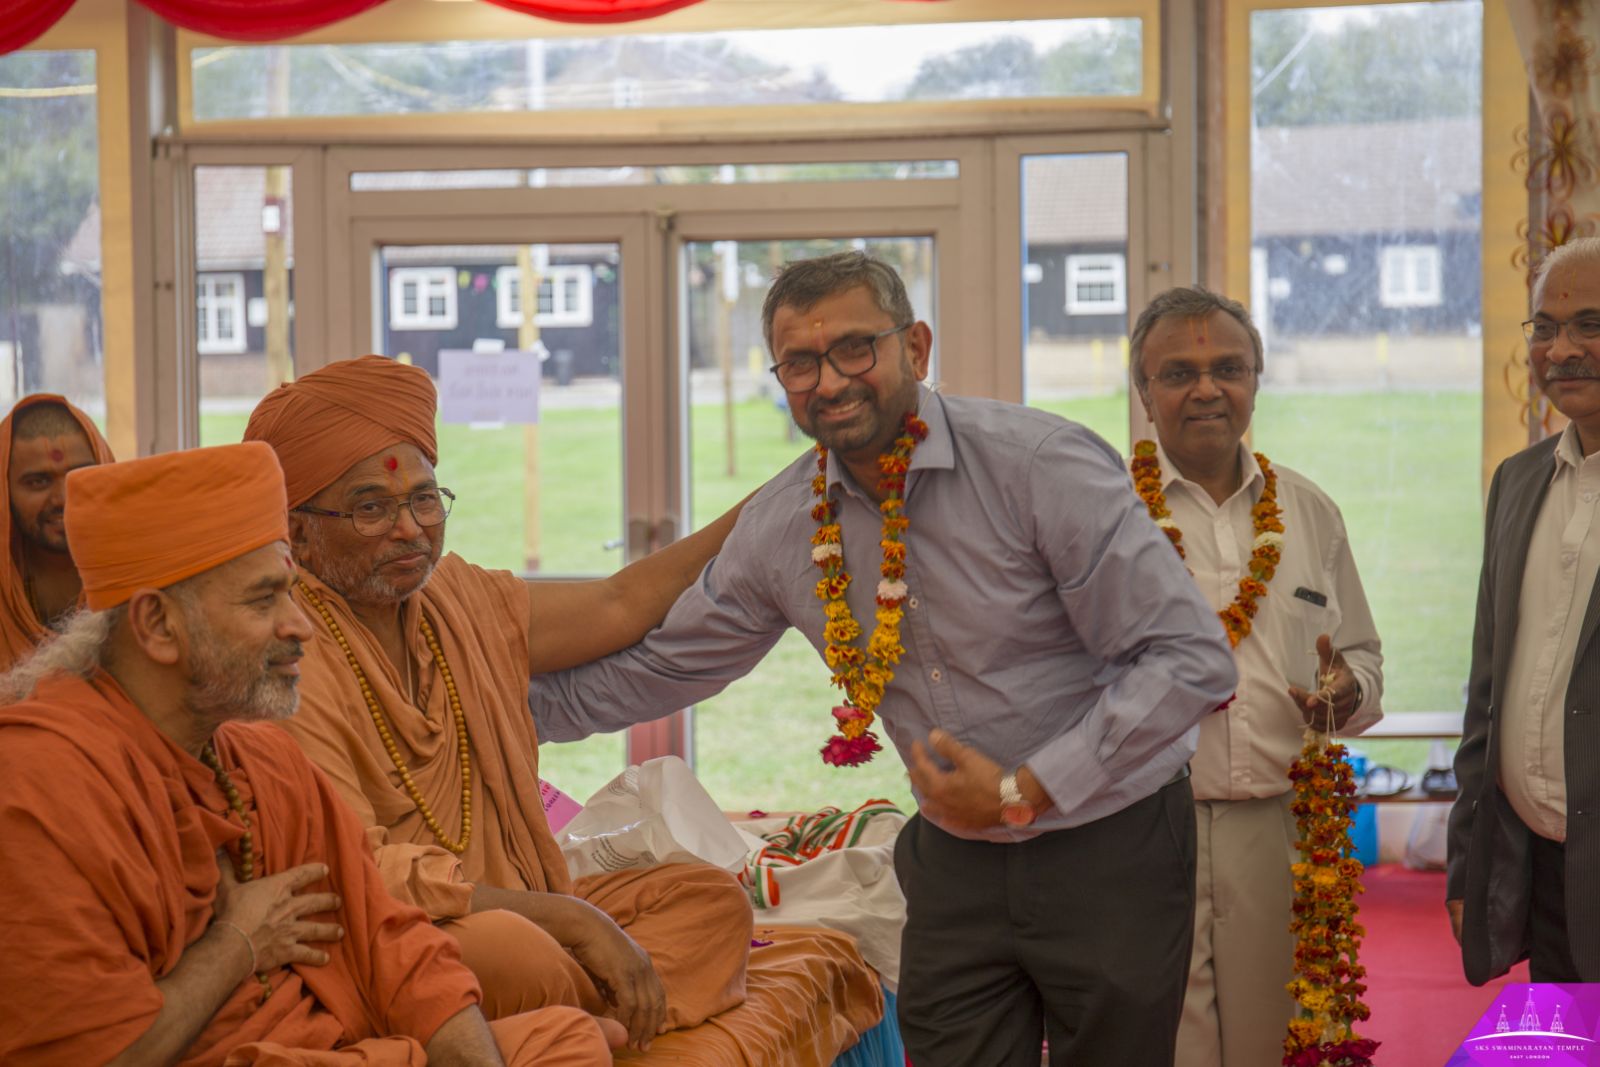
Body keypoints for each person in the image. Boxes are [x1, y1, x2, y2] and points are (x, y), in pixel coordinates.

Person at [530, 250, 1240, 1066]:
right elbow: (663, 665)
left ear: (918, 347)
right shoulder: (782, 525)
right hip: (953, 863)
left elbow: (1190, 658)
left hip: (1109, 842)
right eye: (800, 361)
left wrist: (1024, 788)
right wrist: (498, 709)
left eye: (856, 348)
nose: (830, 381)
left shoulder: (1038, 466)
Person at [245, 356, 883, 1063]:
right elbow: (359, 875)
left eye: (425, 499)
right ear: (297, 534)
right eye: (372, 507)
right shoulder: (288, 653)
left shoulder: (459, 602)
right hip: (396, 938)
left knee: (708, 901)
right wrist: (563, 915)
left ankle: (557, 1021)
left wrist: (786, 495)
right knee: (516, 948)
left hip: (516, 903)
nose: (410, 529)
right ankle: (574, 1017)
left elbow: (622, 603)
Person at [0, 441, 615, 1066]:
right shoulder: (38, 787)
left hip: (333, 1043)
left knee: (564, 1040)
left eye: (292, 593)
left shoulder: (259, 760)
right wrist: (236, 942)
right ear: (158, 626)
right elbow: (94, 1055)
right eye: (264, 600)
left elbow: (389, 940)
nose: (302, 625)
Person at [1126, 287, 1384, 1067]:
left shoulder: (1309, 512)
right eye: (1179, 372)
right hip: (1142, 828)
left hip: (1281, 827)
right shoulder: (1102, 512)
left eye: (1228, 367)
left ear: (1257, 378)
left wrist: (1348, 693)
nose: (1207, 388)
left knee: (1279, 1044)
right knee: (1164, 1045)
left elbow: (1365, 656)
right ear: (1144, 391)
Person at [1449, 235, 1600, 983]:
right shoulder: (1518, 481)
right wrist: (1464, 856)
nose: (1563, 348)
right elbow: (1488, 684)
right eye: (1544, 328)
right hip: (1539, 865)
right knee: (1569, 1047)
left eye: (1591, 325)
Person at [0, 393, 115, 669]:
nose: (63, 499)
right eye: (38, 482)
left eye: (81, 476)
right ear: (4, 493)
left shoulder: (144, 576)